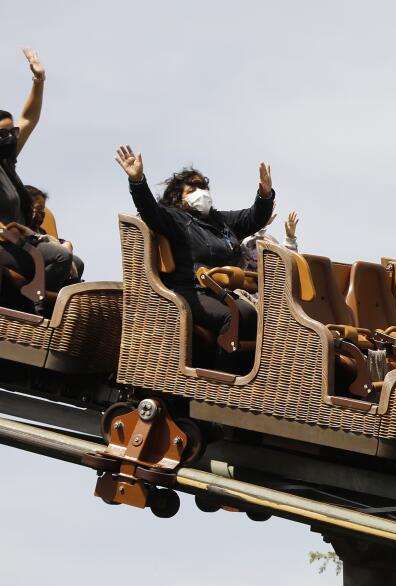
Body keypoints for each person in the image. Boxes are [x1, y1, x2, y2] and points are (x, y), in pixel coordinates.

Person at [114, 144, 275, 371]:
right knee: (240, 314)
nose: (202, 192)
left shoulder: (219, 220)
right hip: (189, 291)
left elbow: (252, 218)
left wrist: (265, 195)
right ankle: (221, 380)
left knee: (259, 317)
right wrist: (138, 181)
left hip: (221, 292)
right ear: (178, 196)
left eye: (204, 186)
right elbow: (150, 211)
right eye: (194, 188)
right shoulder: (175, 218)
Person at [0, 49, 82, 311]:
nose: (11, 138)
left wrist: (39, 81)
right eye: (4, 134)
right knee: (60, 256)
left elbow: (29, 118)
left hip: (23, 242)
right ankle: (27, 305)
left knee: (75, 263)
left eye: (12, 132)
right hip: (4, 243)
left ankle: (36, 302)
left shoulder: (6, 162)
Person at [25, 185, 85, 280]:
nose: (42, 213)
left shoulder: (40, 230)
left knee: (78, 262)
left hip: (43, 259)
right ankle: (42, 290)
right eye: (38, 208)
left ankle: (66, 290)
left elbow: (50, 238)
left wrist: (65, 244)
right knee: (64, 256)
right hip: (26, 255)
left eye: (43, 210)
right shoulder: (20, 223)